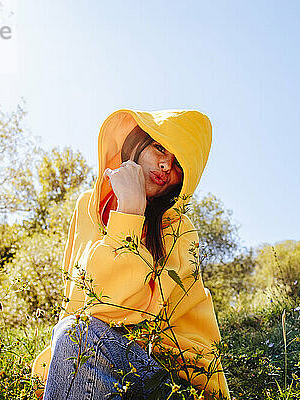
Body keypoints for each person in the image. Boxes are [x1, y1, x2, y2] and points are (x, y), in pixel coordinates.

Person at [32, 109, 230, 399]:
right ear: (138, 143)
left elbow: (118, 311)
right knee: (76, 333)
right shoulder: (87, 207)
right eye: (160, 148)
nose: (165, 165)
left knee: (80, 335)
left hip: (174, 378)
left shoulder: (180, 230)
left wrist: (130, 211)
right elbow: (75, 299)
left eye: (178, 165)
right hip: (93, 355)